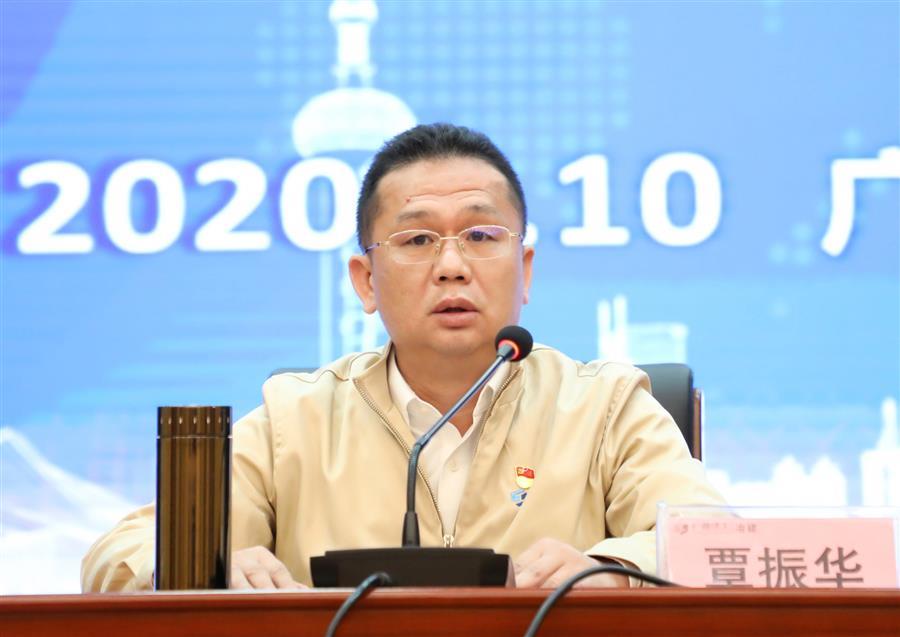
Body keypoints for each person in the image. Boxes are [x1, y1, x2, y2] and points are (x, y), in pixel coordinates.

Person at [81, 123, 724, 592]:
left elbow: (713, 540)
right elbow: (118, 555)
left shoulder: (604, 407)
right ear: (365, 281)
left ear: (524, 270)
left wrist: (611, 571)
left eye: (481, 235)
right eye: (417, 240)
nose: (452, 266)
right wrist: (204, 567)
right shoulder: (296, 420)